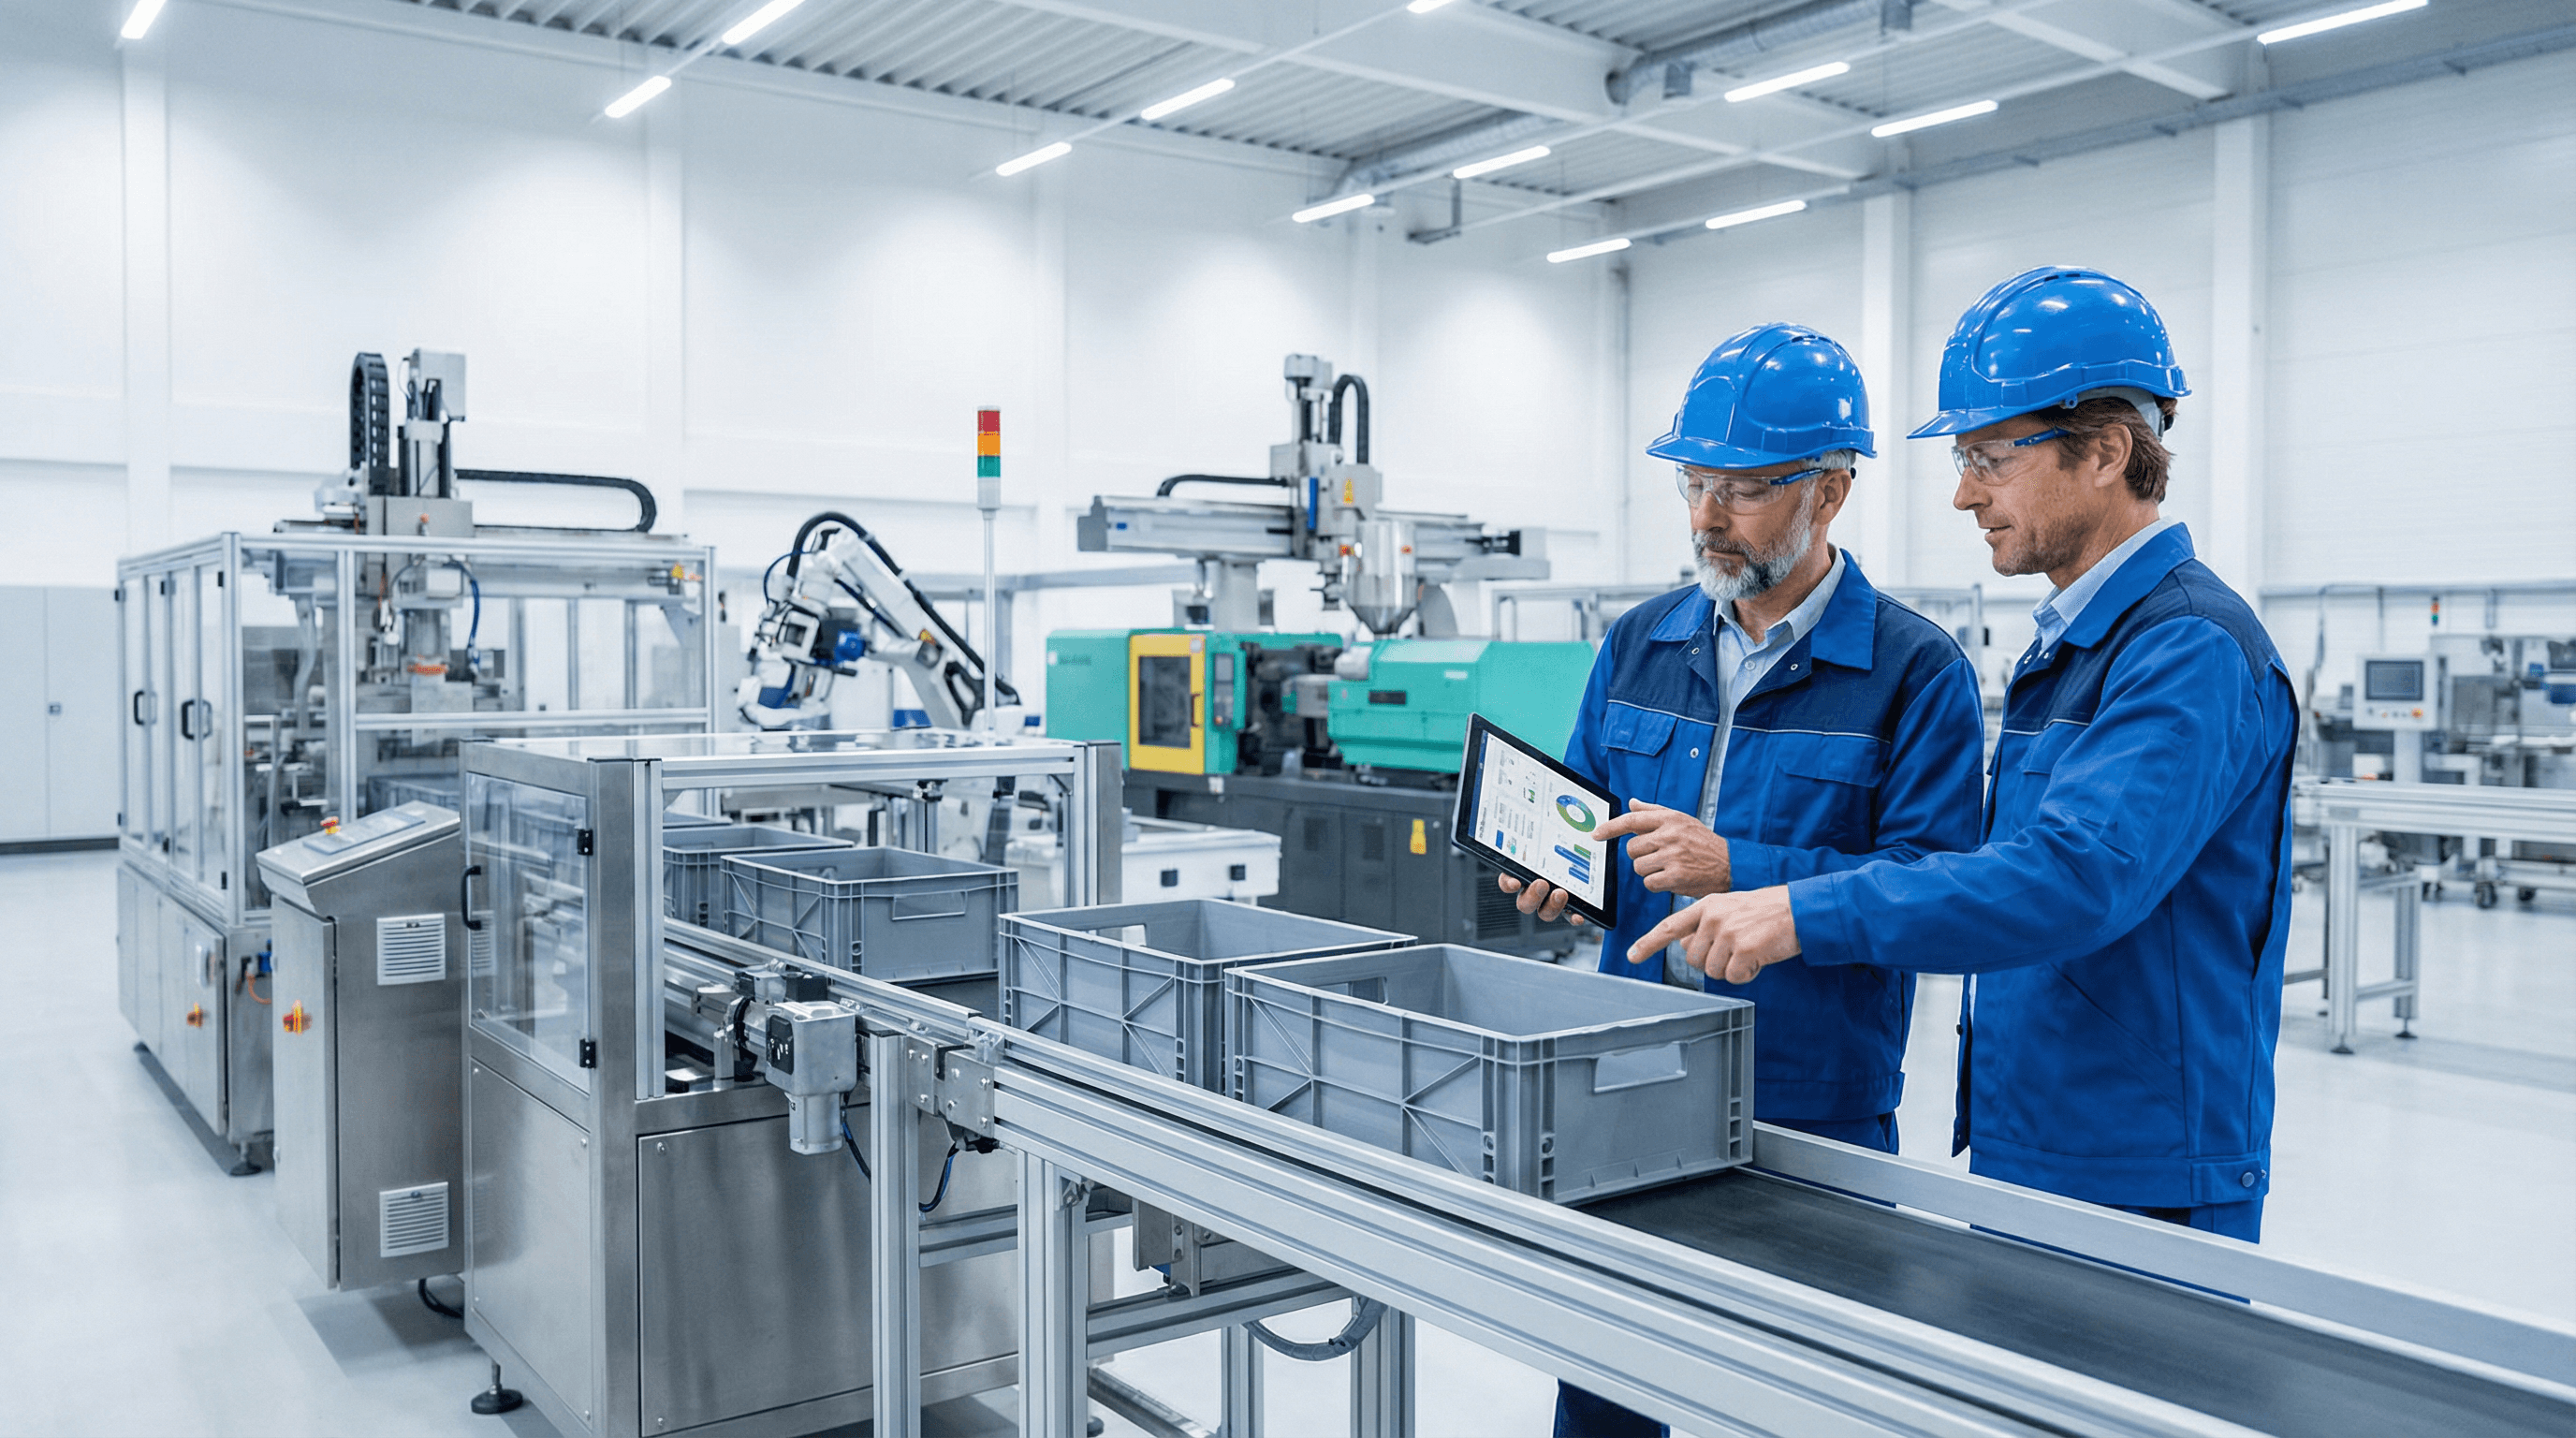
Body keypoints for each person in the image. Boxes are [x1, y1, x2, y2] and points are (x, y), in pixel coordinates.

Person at [1635, 267, 2299, 1246]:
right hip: (2037, 1131)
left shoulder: (2185, 647)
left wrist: (1795, 904)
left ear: (2107, 451)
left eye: (1989, 457)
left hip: (2139, 1159)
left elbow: (2073, 879)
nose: (1959, 495)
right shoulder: (2078, 644)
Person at [1501, 322, 1986, 1438]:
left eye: (1745, 492)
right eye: (1694, 485)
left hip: (1811, 1102)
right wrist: (1560, 874)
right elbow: (1600, 822)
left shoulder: (1913, 672)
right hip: (1622, 1081)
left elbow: (1937, 889)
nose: (1707, 520)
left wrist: (1742, 871)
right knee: (1610, 1381)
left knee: (1810, 1399)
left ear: (1833, 490)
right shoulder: (1638, 641)